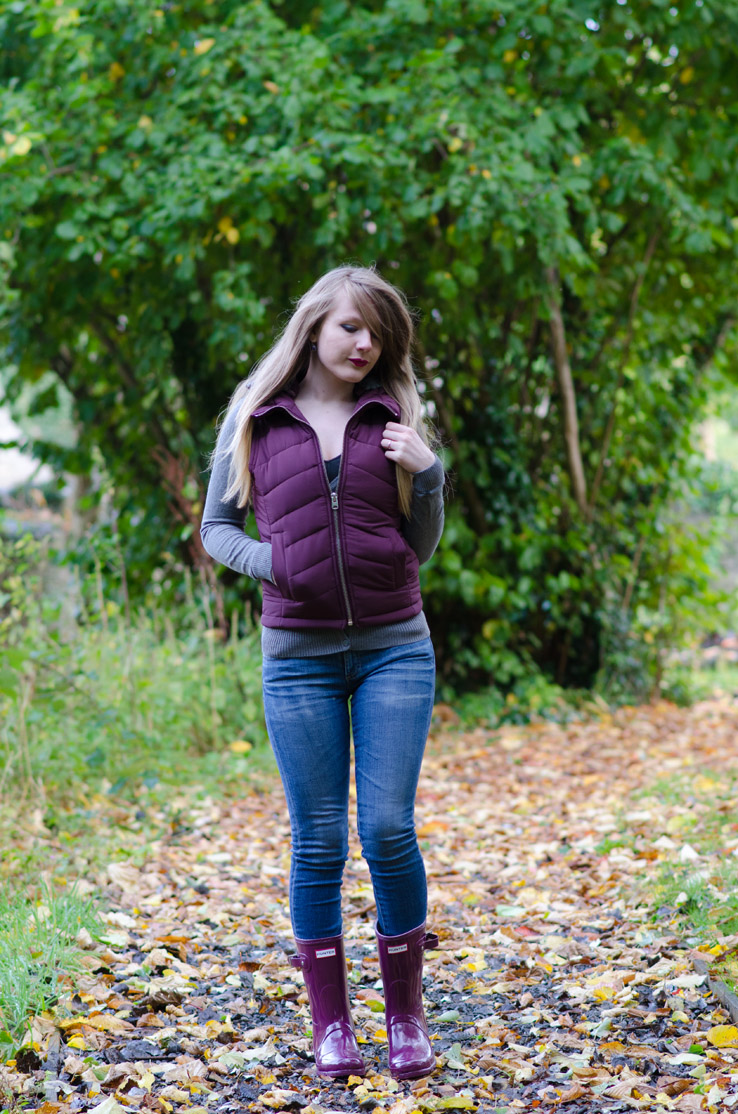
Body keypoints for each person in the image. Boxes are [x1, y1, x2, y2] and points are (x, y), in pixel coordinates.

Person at [200, 265, 445, 1081]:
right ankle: (333, 1027)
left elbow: (419, 548)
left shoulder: (393, 415)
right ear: (313, 328)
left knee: (386, 828)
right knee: (316, 842)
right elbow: (215, 526)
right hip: (297, 657)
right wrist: (271, 562)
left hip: (394, 647)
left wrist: (429, 470)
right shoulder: (255, 417)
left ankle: (405, 1019)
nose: (366, 343)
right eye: (351, 327)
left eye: (377, 331)